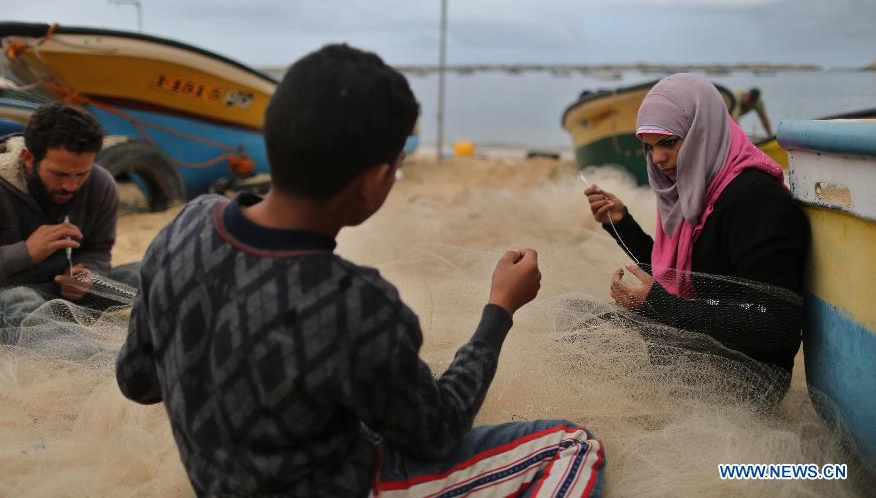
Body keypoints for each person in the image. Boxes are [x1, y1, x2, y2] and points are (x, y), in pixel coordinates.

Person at [116, 44, 604, 497]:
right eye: (394, 168)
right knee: (574, 447)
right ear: (373, 182)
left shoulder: (186, 227)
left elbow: (138, 382)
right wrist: (500, 308)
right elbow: (437, 432)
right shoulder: (354, 301)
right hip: (339, 484)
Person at [583, 73, 808, 396]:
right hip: (700, 351)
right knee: (583, 332)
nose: (657, 159)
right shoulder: (698, 193)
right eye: (648, 148)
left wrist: (661, 305)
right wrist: (621, 223)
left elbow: (775, 321)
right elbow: (684, 277)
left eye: (669, 143)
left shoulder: (755, 201)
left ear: (703, 131)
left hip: (745, 378)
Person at [0, 103, 137, 337]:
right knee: (18, 301)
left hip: (63, 293)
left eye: (81, 174)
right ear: (28, 158)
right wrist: (25, 252)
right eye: (59, 174)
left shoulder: (101, 185)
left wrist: (86, 273)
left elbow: (98, 249)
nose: (70, 186)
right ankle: (94, 362)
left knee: (147, 272)